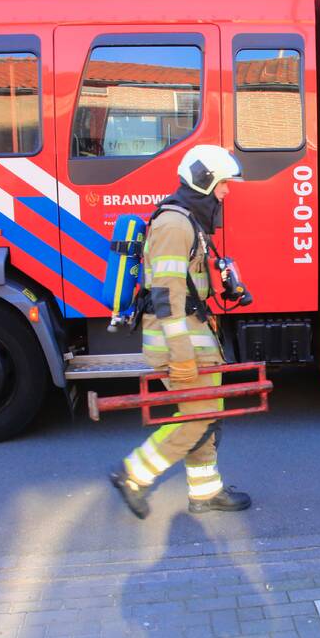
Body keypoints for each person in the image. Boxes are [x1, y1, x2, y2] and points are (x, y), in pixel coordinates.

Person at [110, 145, 251, 520]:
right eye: (223, 184)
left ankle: (205, 492)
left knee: (205, 414)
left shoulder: (188, 221)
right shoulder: (174, 225)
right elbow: (166, 295)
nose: (226, 192)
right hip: (180, 343)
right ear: (205, 181)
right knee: (198, 416)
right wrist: (183, 354)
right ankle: (134, 474)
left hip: (196, 337)